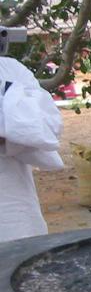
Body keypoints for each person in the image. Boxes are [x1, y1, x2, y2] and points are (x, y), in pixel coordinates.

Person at [0, 56, 64, 242]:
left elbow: (49, 126)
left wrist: (13, 134)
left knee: (22, 255)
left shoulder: (10, 69)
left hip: (13, 212)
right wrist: (11, 123)